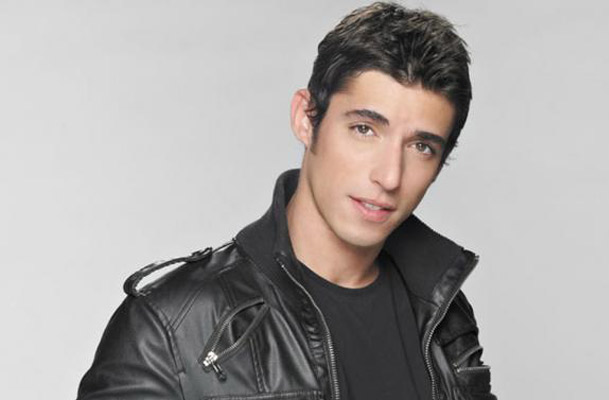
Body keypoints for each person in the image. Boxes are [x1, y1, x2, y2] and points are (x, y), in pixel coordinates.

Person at [77, 2, 496, 399]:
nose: (389, 176)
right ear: (306, 119)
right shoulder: (171, 328)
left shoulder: (443, 315)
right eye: (364, 129)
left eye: (421, 147)